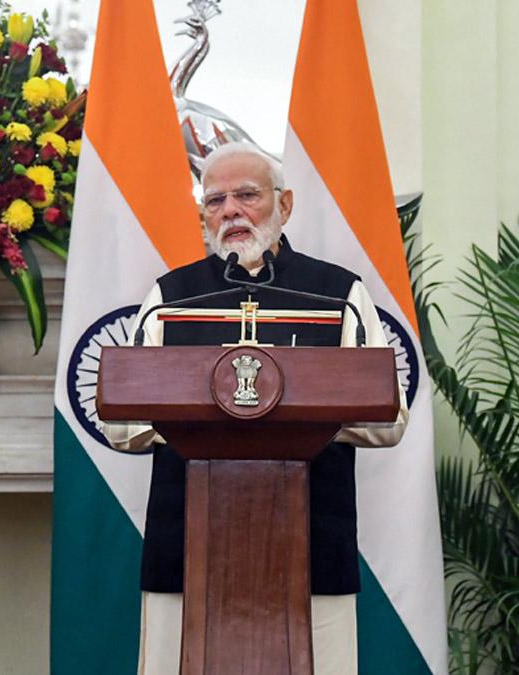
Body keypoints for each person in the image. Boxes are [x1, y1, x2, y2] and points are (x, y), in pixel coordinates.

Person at [106, 142, 408, 675]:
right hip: (187, 542)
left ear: (284, 205)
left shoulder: (338, 295)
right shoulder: (171, 296)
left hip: (312, 537)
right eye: (215, 200)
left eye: (247, 196)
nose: (231, 212)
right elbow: (121, 423)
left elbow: (391, 419)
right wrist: (204, 423)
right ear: (202, 214)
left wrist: (291, 422)